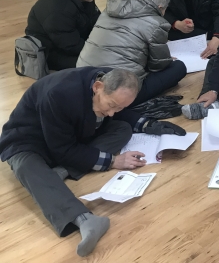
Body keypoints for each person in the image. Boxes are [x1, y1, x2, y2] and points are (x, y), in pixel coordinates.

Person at [0, 68, 185, 257]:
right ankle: (84, 220)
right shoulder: (58, 94)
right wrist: (112, 161)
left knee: (122, 129)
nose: (111, 113)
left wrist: (147, 124)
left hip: (70, 134)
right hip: (29, 139)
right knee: (25, 166)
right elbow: (62, 150)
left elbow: (117, 112)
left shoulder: (108, 82)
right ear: (97, 87)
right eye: (111, 105)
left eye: (118, 108)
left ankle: (57, 174)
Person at [76, 0, 187, 105]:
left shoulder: (110, 10)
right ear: (160, 8)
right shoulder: (157, 23)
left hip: (83, 78)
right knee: (179, 67)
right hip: (117, 90)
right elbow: (158, 66)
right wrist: (166, 59)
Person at [25, 0, 100, 70]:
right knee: (95, 64)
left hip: (72, 38)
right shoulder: (59, 11)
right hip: (52, 51)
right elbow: (70, 46)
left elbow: (97, 20)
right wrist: (98, 50)